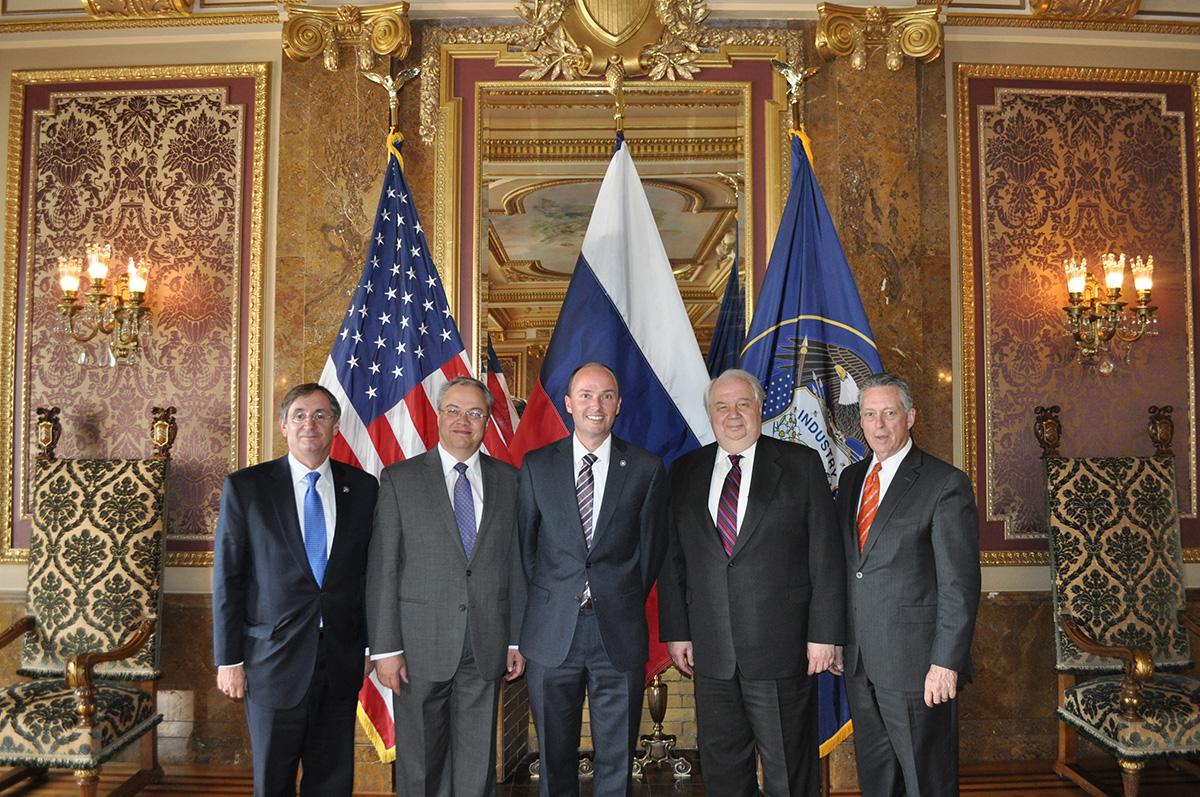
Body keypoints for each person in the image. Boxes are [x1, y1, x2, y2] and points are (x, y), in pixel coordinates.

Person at [658, 368, 845, 796]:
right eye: (722, 406)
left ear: (760, 408)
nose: (733, 414)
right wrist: (677, 632)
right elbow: (673, 560)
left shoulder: (799, 464)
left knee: (788, 768)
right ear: (710, 414)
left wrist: (825, 634)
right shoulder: (686, 470)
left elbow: (826, 556)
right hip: (712, 652)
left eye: (743, 403)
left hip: (782, 649)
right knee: (723, 768)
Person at [212, 383, 378, 797]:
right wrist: (228, 659)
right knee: (273, 780)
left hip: (340, 659)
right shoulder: (247, 488)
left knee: (332, 779)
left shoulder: (362, 488)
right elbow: (229, 579)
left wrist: (368, 648)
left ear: (335, 427)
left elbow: (370, 576)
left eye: (321, 415)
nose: (311, 424)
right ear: (284, 425)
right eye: (300, 415)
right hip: (271, 661)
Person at [365, 376, 526, 796]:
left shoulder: (510, 481)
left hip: (485, 643)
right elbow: (383, 567)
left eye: (475, 413)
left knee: (476, 765)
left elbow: (516, 565)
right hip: (417, 648)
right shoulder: (400, 479)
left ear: (488, 422)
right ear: (438, 415)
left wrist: (514, 640)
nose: (463, 421)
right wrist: (385, 648)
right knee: (420, 765)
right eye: (454, 410)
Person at [517, 362, 668, 797]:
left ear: (619, 405)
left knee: (616, 760)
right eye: (585, 395)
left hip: (616, 633)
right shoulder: (537, 467)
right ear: (568, 403)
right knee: (553, 760)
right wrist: (554, 600)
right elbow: (526, 550)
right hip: (550, 636)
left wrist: (613, 597)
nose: (595, 405)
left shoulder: (645, 468)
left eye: (605, 395)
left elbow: (650, 551)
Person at [838, 372, 980, 797]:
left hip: (920, 668)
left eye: (889, 413)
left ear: (910, 416)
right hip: (860, 660)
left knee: (926, 781)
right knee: (878, 780)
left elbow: (960, 584)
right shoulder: (850, 481)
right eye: (869, 415)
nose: (878, 425)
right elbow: (852, 570)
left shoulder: (944, 483)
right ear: (859, 422)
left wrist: (946, 663)